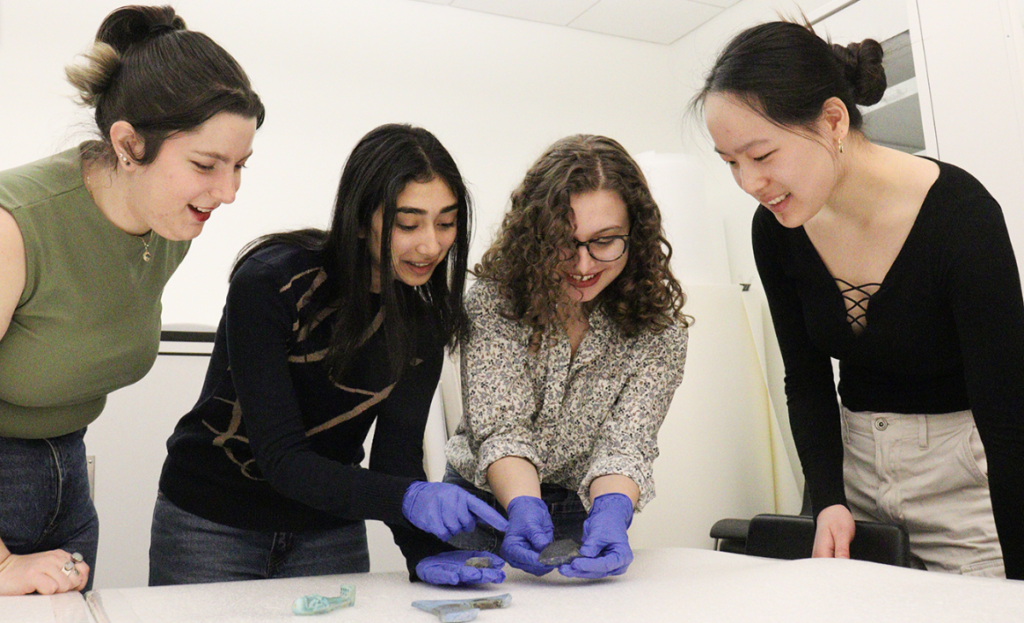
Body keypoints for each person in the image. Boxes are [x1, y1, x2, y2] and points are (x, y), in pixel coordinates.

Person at [693, 20, 1024, 579]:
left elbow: (1008, 410)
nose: (749, 182)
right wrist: (827, 497)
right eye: (731, 162)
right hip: (852, 468)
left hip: (966, 481)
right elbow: (806, 376)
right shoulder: (775, 229)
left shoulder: (962, 216)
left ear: (833, 119)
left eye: (762, 155)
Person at [149, 123, 508, 588]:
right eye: (407, 223)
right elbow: (282, 458)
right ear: (362, 219)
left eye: (445, 222)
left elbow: (395, 461)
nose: (431, 245)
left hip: (328, 534)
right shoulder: (272, 282)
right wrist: (410, 499)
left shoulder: (422, 324)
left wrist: (423, 552)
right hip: (212, 524)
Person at [0, 5, 263, 596]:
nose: (227, 192)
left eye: (241, 166)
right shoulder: (14, 226)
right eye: (206, 164)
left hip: (66, 472)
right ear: (127, 143)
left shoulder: (168, 227)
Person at [443, 134, 689, 580]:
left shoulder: (659, 328)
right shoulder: (495, 302)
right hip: (486, 506)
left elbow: (626, 443)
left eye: (605, 241)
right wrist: (521, 503)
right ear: (534, 239)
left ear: (637, 234)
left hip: (584, 512)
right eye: (563, 242)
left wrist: (614, 508)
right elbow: (502, 428)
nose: (582, 264)